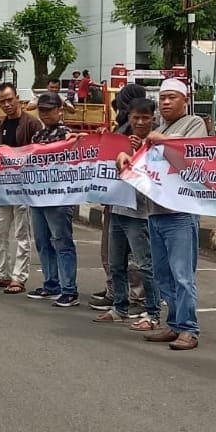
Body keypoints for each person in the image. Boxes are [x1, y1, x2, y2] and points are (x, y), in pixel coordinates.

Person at [117, 77, 208, 350]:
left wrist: (161, 139)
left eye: (172, 97)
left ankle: (189, 329)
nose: (166, 102)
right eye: (163, 97)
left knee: (182, 275)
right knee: (163, 275)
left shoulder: (194, 124)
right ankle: (175, 324)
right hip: (155, 211)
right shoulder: (159, 128)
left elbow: (194, 155)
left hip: (180, 212)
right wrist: (126, 156)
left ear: (185, 100)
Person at [95, 98, 161, 328]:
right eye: (136, 117)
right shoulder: (120, 139)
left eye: (145, 117)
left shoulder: (157, 142)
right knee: (116, 263)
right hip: (118, 208)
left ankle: (153, 311)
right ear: (129, 117)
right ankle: (120, 307)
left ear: (153, 118)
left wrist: (141, 148)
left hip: (140, 212)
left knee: (144, 264)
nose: (140, 122)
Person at [25, 92, 81, 306]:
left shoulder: (67, 135)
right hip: (39, 197)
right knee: (42, 241)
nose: (45, 114)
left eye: (49, 110)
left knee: (62, 242)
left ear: (60, 111)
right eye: (42, 110)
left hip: (59, 198)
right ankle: (51, 283)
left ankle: (69, 289)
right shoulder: (38, 137)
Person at [0, 82, 36, 289]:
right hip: (4, 187)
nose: (6, 104)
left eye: (9, 99)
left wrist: (13, 153)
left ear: (17, 99)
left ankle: (19, 277)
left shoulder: (31, 124)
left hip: (24, 187)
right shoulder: (0, 126)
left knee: (21, 233)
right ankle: (3, 273)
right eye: (2, 101)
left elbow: (38, 153)